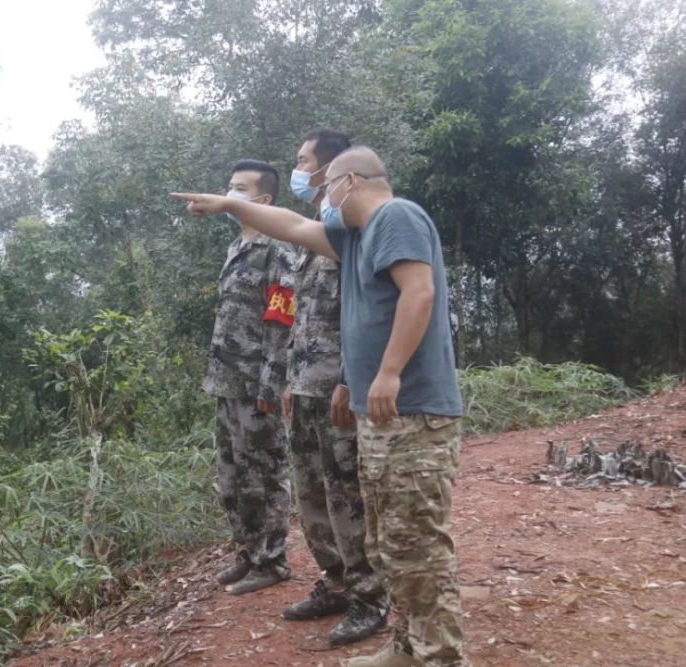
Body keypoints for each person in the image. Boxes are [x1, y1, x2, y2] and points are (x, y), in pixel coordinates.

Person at [172, 146, 468, 667]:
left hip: (415, 408)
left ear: (350, 181)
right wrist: (229, 204)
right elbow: (288, 223)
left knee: (417, 542)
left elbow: (418, 293)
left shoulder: (395, 216)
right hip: (382, 413)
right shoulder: (352, 240)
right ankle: (408, 645)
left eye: (327, 184)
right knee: (389, 541)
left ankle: (441, 656)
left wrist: (390, 371)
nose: (321, 195)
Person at [281, 129, 388, 646]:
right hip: (304, 385)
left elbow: (362, 312)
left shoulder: (352, 229)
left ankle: (371, 596)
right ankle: (337, 582)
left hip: (338, 389)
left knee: (347, 494)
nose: (297, 170)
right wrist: (287, 378)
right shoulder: (317, 228)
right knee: (311, 493)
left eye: (303, 161)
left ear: (329, 168)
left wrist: (349, 380)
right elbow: (301, 317)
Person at [206, 159, 296, 595]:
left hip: (258, 382)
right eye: (228, 185)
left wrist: (272, 382)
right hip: (227, 381)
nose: (228, 194)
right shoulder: (235, 248)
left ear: (263, 200)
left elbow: (281, 318)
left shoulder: (277, 246)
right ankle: (249, 550)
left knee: (265, 473)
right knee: (232, 476)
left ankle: (273, 560)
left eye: (239, 188)